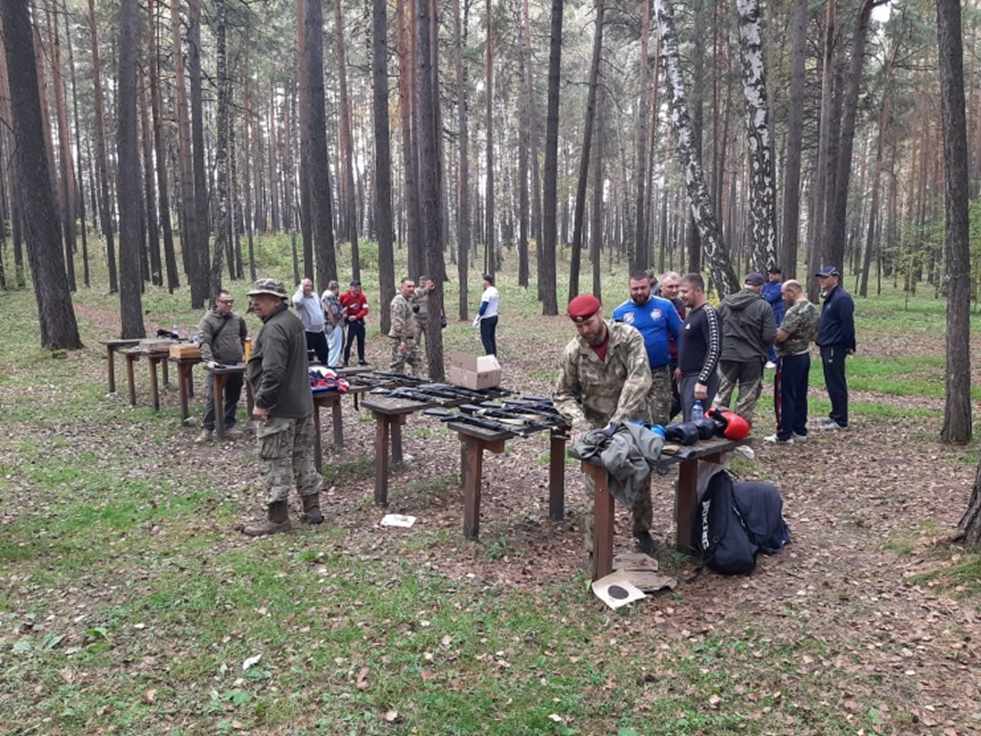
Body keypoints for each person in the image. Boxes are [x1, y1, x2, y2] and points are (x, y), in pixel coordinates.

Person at [554, 294, 657, 558]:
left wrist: (619, 420)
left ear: (601, 313)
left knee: (642, 481)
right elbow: (563, 393)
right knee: (595, 489)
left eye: (589, 322)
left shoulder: (628, 337)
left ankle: (642, 530)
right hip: (597, 429)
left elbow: (639, 379)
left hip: (634, 422)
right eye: (579, 326)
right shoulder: (574, 352)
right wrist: (579, 422)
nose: (585, 330)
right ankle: (595, 550)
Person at [242, 279, 323, 536]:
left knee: (275, 460)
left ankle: (277, 519)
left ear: (277, 300)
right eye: (254, 297)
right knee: (303, 456)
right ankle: (313, 509)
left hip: (281, 408)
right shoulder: (292, 321)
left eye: (262, 298)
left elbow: (274, 371)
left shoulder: (276, 328)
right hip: (301, 404)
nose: (256, 302)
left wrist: (263, 402)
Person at [612, 271, 682, 424]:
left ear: (650, 286)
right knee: (633, 416)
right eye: (635, 289)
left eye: (643, 288)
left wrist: (682, 363)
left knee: (660, 416)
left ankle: (659, 444)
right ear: (629, 289)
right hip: (633, 373)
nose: (639, 292)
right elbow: (613, 345)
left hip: (659, 371)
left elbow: (680, 334)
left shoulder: (665, 306)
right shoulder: (620, 313)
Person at [714, 272, 777, 424]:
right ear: (761, 287)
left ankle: (715, 424)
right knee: (747, 396)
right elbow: (769, 336)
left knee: (722, 393)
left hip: (727, 354)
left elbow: (715, 326)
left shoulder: (725, 303)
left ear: (744, 284)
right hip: (752, 357)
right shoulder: (764, 306)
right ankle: (740, 428)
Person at [766, 280, 818, 444]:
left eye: (783, 293)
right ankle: (799, 429)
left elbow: (781, 336)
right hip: (804, 355)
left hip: (789, 357)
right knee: (800, 394)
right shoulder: (813, 309)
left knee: (784, 395)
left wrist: (769, 333)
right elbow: (815, 335)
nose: (782, 297)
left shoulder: (795, 311)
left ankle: (784, 433)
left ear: (792, 292)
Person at [195, 289, 248, 443]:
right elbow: (204, 342)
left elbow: (244, 336)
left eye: (231, 301)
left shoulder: (238, 319)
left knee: (233, 395)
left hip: (236, 364)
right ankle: (207, 428)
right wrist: (209, 360)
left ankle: (228, 425)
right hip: (218, 364)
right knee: (213, 397)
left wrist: (246, 353)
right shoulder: (207, 320)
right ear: (218, 302)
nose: (229, 304)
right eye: (226, 302)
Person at [676, 273, 723, 421]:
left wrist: (702, 381)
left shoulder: (708, 313)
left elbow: (715, 348)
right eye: (680, 292)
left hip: (700, 378)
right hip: (687, 379)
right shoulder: (691, 314)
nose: (681, 295)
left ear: (698, 291)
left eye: (685, 291)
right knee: (688, 423)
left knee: (697, 427)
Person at [814, 265, 856, 430]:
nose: (822, 280)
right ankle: (835, 414)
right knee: (831, 382)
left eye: (825, 277)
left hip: (835, 346)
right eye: (820, 277)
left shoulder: (842, 298)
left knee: (836, 382)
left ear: (835, 278)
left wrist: (849, 345)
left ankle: (841, 419)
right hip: (826, 344)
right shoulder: (830, 297)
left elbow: (847, 324)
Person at [658, 271, 686, 418]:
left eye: (677, 286)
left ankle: (664, 421)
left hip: (676, 358)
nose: (674, 290)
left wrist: (682, 363)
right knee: (659, 397)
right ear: (661, 287)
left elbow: (681, 334)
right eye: (670, 287)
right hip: (658, 358)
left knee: (681, 397)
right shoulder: (652, 303)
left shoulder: (679, 304)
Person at [292, 278, 329, 365]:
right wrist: (301, 290)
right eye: (306, 286)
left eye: (310, 286)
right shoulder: (299, 297)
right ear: (301, 287)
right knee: (307, 355)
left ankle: (325, 372)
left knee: (324, 352)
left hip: (319, 330)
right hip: (307, 331)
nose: (308, 288)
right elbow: (297, 302)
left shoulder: (315, 295)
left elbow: (320, 307)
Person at [389, 278, 421, 374]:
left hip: (410, 339)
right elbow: (397, 323)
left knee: (418, 361)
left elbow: (417, 293)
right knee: (398, 367)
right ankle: (395, 387)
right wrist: (402, 341)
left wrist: (426, 288)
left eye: (413, 286)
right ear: (402, 288)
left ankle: (417, 384)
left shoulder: (408, 298)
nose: (412, 289)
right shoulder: (399, 302)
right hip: (399, 339)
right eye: (409, 286)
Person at [340, 279, 370, 366]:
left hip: (359, 321)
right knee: (348, 342)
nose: (357, 289)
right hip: (349, 322)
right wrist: (344, 314)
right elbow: (339, 306)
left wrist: (357, 316)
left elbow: (365, 309)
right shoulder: (344, 296)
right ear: (351, 288)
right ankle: (345, 360)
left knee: (361, 341)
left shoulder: (362, 297)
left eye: (358, 287)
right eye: (355, 287)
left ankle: (361, 359)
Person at [762, 267, 784, 368]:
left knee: (773, 336)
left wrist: (763, 295)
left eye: (774, 274)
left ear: (779, 275)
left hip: (776, 314)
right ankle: (768, 358)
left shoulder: (780, 286)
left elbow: (769, 298)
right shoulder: (766, 285)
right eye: (770, 273)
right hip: (767, 314)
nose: (771, 275)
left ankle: (774, 359)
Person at [321, 280, 345, 368]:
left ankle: (330, 363)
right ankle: (332, 365)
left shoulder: (323, 297)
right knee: (334, 346)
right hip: (334, 325)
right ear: (336, 288)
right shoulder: (330, 298)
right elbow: (336, 313)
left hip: (326, 324)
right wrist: (343, 312)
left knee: (330, 344)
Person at [474, 273, 499, 356]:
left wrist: (478, 317)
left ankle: (490, 356)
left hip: (487, 318)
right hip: (494, 316)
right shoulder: (495, 291)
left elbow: (484, 306)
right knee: (491, 337)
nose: (482, 282)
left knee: (486, 339)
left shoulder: (487, 293)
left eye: (483, 280)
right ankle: (494, 355)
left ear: (487, 282)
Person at [413, 275, 437, 351]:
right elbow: (411, 299)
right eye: (421, 282)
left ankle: (429, 355)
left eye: (424, 283)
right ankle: (416, 356)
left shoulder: (432, 292)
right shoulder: (416, 291)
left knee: (429, 340)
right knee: (415, 339)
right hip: (416, 319)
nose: (422, 284)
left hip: (428, 319)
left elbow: (437, 304)